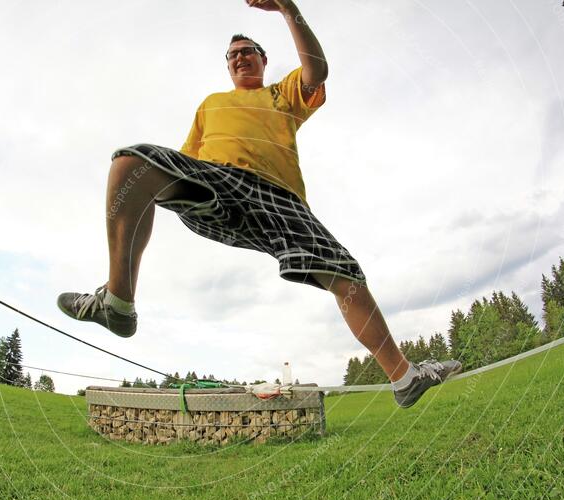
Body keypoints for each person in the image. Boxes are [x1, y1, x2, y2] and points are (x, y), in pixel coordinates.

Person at [58, 0, 461, 408]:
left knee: (345, 275)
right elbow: (184, 160)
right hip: (220, 184)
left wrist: (287, 8)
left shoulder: (280, 93)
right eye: (232, 56)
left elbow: (317, 70)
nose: (239, 59)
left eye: (247, 52)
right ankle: (118, 304)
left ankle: (404, 377)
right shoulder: (210, 104)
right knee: (131, 164)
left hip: (278, 198)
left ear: (263, 60)